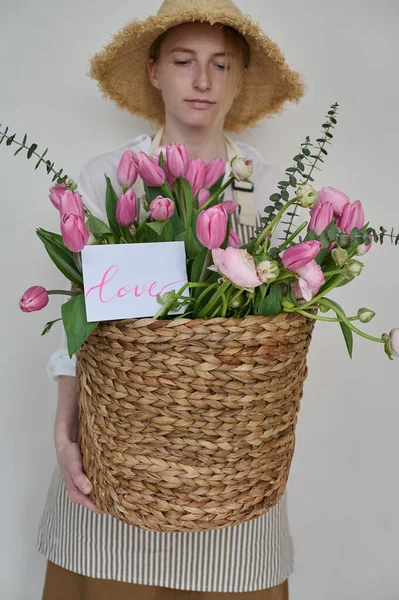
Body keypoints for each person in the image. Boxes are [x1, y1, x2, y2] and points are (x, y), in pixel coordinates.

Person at [38, 0, 306, 597]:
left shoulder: (269, 190)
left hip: (231, 457)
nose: (203, 81)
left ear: (238, 78)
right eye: (184, 61)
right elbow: (82, 324)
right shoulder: (109, 177)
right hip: (119, 457)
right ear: (155, 71)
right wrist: (64, 429)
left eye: (220, 64)